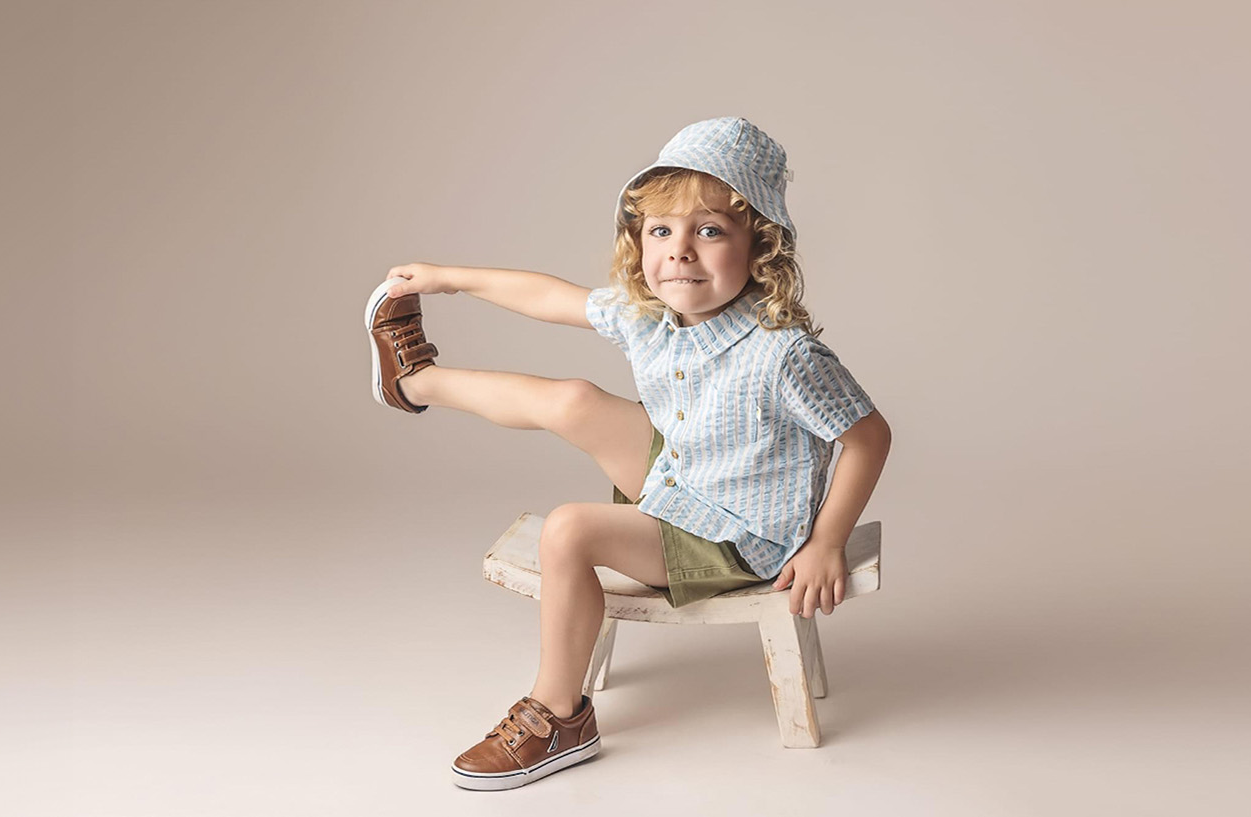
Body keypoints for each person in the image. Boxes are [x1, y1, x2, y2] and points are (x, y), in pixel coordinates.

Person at [363, 116, 892, 790]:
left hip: (733, 533)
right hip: (685, 478)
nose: (680, 252)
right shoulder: (653, 317)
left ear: (758, 247)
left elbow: (868, 435)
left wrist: (825, 541)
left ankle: (559, 714)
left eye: (709, 231)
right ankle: (414, 383)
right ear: (640, 241)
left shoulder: (783, 354)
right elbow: (553, 297)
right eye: (662, 231)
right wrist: (447, 278)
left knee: (570, 529)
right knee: (576, 400)